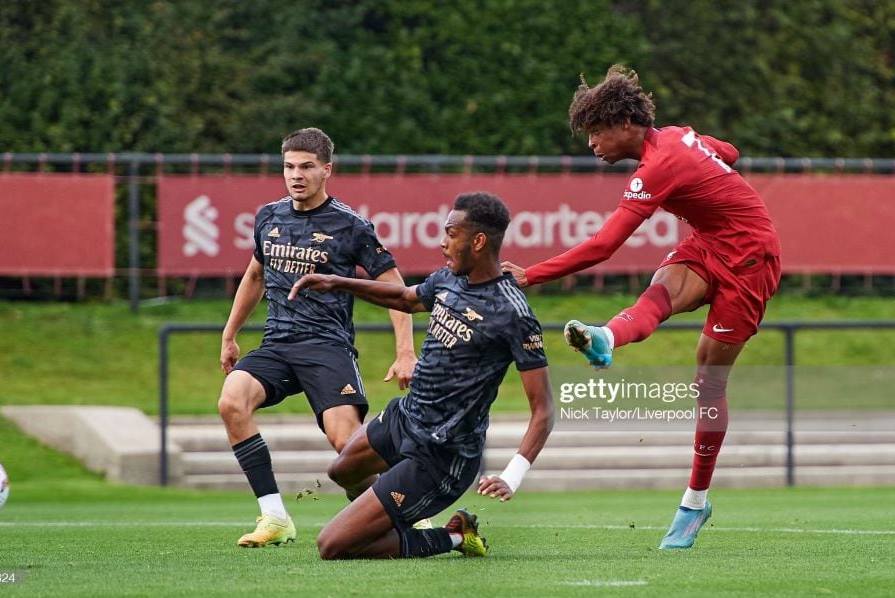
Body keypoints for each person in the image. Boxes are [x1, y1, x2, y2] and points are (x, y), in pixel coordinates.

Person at [503, 65, 781, 549]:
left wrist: (531, 274)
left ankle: (695, 501)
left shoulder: (659, 165)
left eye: (596, 132)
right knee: (663, 285)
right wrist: (711, 160)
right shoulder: (676, 138)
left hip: (752, 259)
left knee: (707, 380)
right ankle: (606, 338)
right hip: (711, 242)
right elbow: (731, 152)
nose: (592, 145)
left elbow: (602, 246)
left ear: (626, 123)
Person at [287, 191, 554, 559]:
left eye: (450, 233)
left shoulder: (513, 314)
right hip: (406, 416)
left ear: (478, 241)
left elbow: (543, 409)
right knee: (342, 470)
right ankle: (393, 514)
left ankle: (456, 536)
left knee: (332, 545)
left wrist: (512, 475)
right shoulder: (450, 277)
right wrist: (338, 282)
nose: (442, 242)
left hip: (442, 453)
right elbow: (406, 299)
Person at [218, 127, 417, 548]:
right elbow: (255, 275)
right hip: (277, 344)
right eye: (289, 166)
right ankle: (274, 517)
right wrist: (230, 332)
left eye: (307, 167)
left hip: (327, 347)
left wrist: (405, 351)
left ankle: (402, 514)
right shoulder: (268, 217)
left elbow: (396, 289)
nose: (296, 175)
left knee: (348, 447)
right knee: (231, 401)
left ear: (327, 170)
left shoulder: (351, 226)